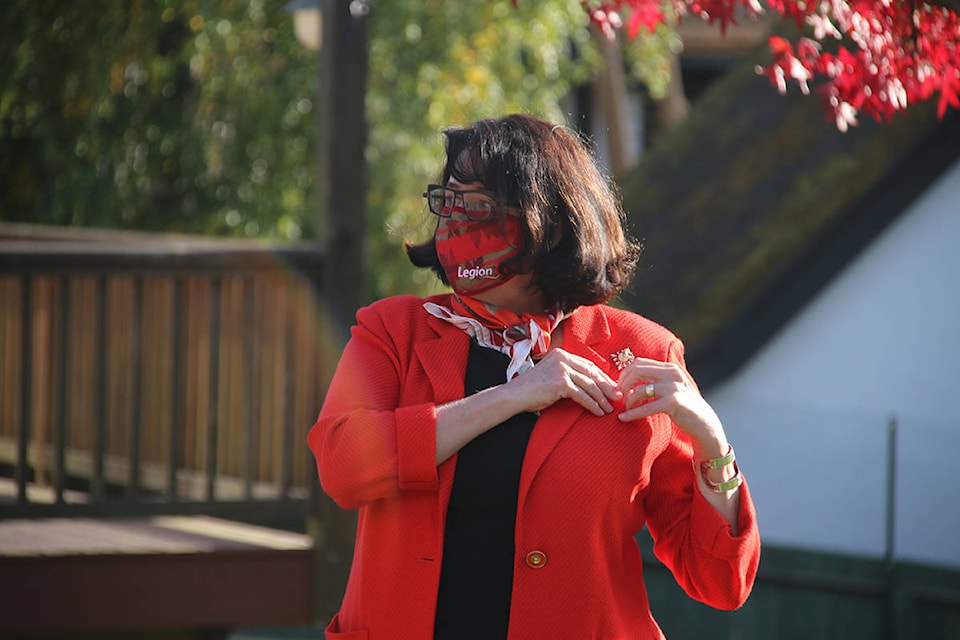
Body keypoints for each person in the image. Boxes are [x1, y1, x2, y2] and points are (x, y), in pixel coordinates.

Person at [308, 113, 760, 640]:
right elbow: (342, 467)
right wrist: (512, 396)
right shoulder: (394, 331)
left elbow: (720, 582)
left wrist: (712, 442)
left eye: (479, 206)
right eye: (449, 201)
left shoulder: (641, 350)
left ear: (548, 219)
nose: (456, 221)